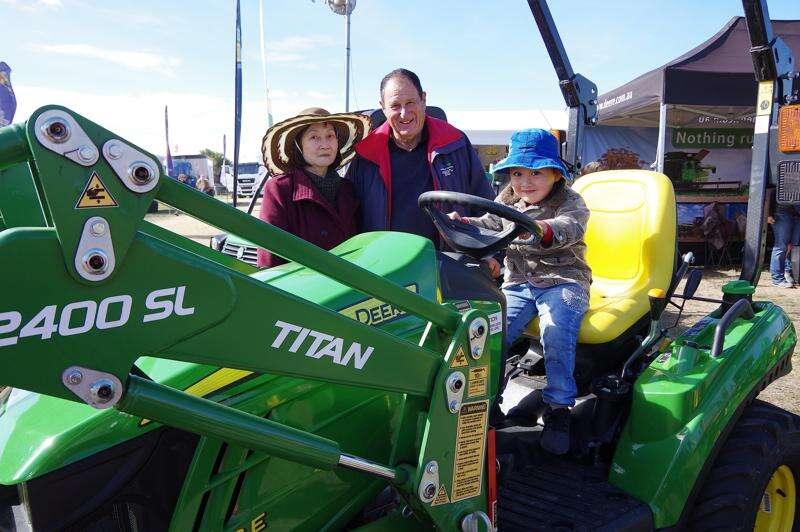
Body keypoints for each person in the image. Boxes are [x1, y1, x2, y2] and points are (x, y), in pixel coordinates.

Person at [450, 129, 591, 455]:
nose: (525, 182)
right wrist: (464, 221)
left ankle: (558, 408)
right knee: (490, 334)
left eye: (536, 172)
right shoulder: (508, 199)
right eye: (517, 173)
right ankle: (488, 402)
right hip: (518, 283)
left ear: (556, 174)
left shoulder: (571, 202)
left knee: (555, 331)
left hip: (564, 280)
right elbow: (490, 224)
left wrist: (543, 229)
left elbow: (570, 227)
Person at [346, 68, 494, 243]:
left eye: (410, 102)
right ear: (383, 108)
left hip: (449, 264)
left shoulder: (455, 143)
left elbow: (486, 207)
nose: (404, 113)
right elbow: (348, 218)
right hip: (383, 264)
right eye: (395, 106)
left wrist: (487, 253)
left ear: (423, 99)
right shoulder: (365, 154)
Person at [257, 107, 371, 268]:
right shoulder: (280, 190)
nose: (325, 145)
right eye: (314, 137)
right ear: (298, 145)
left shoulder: (348, 189)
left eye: (330, 135)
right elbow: (269, 260)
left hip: (349, 288)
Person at [768, 187, 800, 288]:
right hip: (781, 212)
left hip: (796, 214)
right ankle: (777, 278)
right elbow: (772, 191)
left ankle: (789, 272)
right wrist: (769, 214)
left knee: (794, 245)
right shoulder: (785, 174)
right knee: (781, 246)